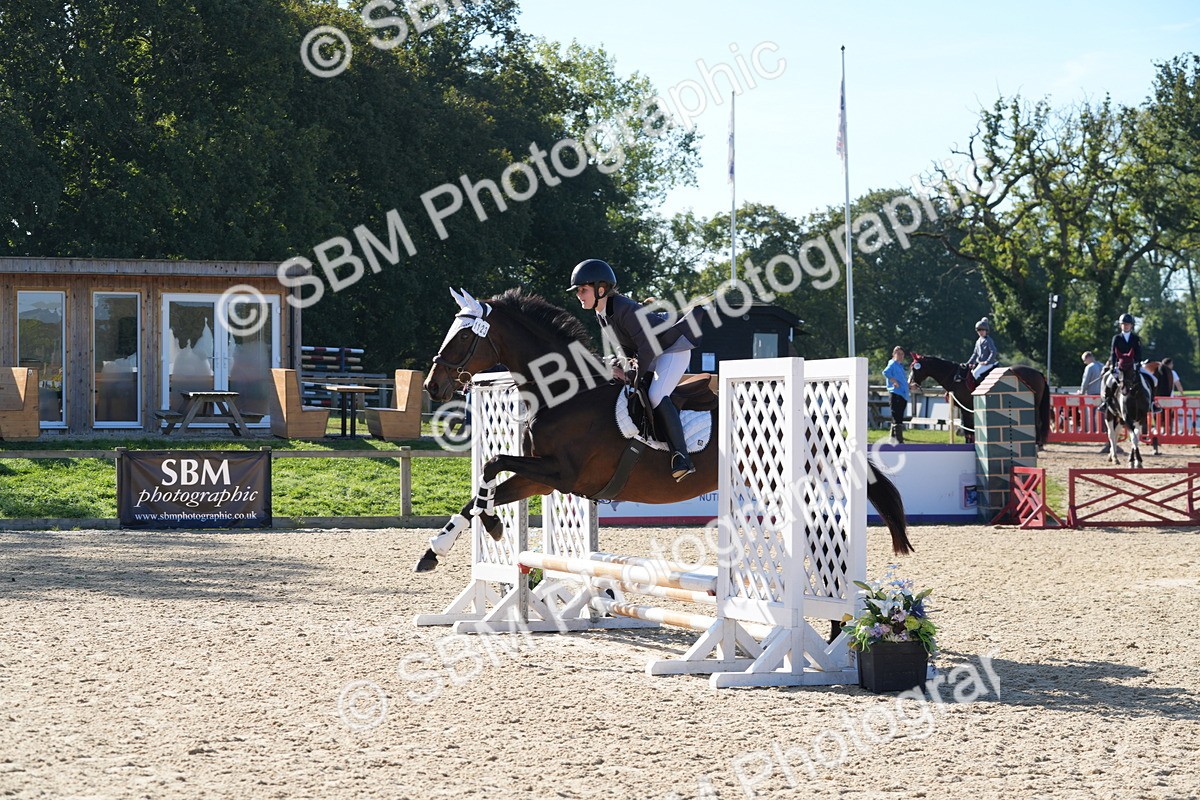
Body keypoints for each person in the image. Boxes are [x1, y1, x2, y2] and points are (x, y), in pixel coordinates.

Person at [568, 258, 698, 481]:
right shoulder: (602, 313)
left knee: (656, 395)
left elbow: (647, 347)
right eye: (578, 290)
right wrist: (620, 365)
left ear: (601, 289)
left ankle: (682, 456)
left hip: (671, 351)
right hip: (653, 352)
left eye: (583, 289)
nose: (579, 294)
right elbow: (626, 349)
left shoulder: (624, 309)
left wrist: (634, 376)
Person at [1105, 313, 1156, 409]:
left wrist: (1136, 363)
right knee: (1108, 382)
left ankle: (1152, 402)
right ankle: (1106, 402)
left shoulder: (1136, 338)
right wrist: (1113, 365)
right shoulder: (1116, 338)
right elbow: (1113, 353)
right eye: (1123, 324)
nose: (1126, 326)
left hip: (1133, 366)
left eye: (1127, 324)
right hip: (1120, 366)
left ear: (1131, 325)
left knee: (1154, 380)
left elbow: (1138, 353)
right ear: (1121, 325)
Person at [882, 346, 910, 443]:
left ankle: (893, 439)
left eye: (902, 354)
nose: (900, 356)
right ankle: (899, 440)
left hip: (902, 394)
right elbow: (885, 372)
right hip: (895, 393)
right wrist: (893, 381)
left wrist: (910, 386)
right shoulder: (893, 363)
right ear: (894, 355)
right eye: (898, 354)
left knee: (899, 417)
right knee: (897, 416)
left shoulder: (900, 366)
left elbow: (902, 381)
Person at [966, 317, 999, 382]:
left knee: (976, 373)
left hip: (988, 364)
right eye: (979, 330)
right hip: (980, 363)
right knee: (971, 373)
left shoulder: (988, 340)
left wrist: (988, 361)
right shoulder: (978, 341)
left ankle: (983, 386)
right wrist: (968, 363)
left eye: (982, 330)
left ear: (986, 331)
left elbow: (993, 351)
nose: (981, 332)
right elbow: (975, 354)